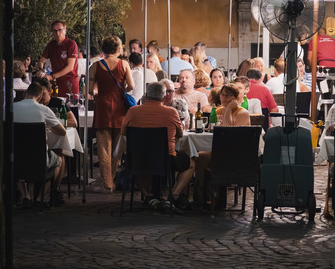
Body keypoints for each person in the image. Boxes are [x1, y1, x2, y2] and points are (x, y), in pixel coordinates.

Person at [121, 82, 194, 212]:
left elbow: (124, 132)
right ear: (164, 97)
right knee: (191, 163)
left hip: (139, 158)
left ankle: (149, 197)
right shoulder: (171, 112)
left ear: (146, 95)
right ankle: (173, 196)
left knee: (131, 165)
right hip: (166, 159)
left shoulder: (133, 111)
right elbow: (180, 133)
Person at [87, 36, 135, 193]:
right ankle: (112, 178)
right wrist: (122, 90)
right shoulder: (124, 64)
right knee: (116, 148)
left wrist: (97, 94)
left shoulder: (95, 66)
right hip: (120, 108)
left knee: (103, 148)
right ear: (118, 49)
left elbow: (89, 90)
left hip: (102, 107)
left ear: (103, 48)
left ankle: (107, 183)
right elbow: (131, 86)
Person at [192, 84, 250, 209]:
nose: (223, 98)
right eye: (222, 95)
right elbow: (211, 127)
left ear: (235, 98)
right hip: (219, 150)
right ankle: (201, 195)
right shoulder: (218, 110)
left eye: (227, 95)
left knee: (202, 157)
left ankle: (210, 196)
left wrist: (228, 110)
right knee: (199, 157)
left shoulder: (242, 113)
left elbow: (229, 132)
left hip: (235, 154)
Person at [12, 82, 68, 207]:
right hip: (38, 158)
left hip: (15, 157)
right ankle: (39, 198)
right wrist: (49, 126)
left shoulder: (12, 108)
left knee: (19, 157)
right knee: (58, 160)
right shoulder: (44, 109)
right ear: (39, 96)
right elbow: (62, 131)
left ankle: (25, 195)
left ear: (26, 93)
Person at [38, 20, 80, 97]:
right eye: (55, 31)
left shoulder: (71, 44)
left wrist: (51, 76)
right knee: (55, 103)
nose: (57, 33)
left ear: (65, 30)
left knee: (71, 104)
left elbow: (70, 67)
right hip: (56, 83)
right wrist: (40, 70)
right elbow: (41, 60)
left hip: (69, 83)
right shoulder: (51, 45)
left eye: (60, 30)